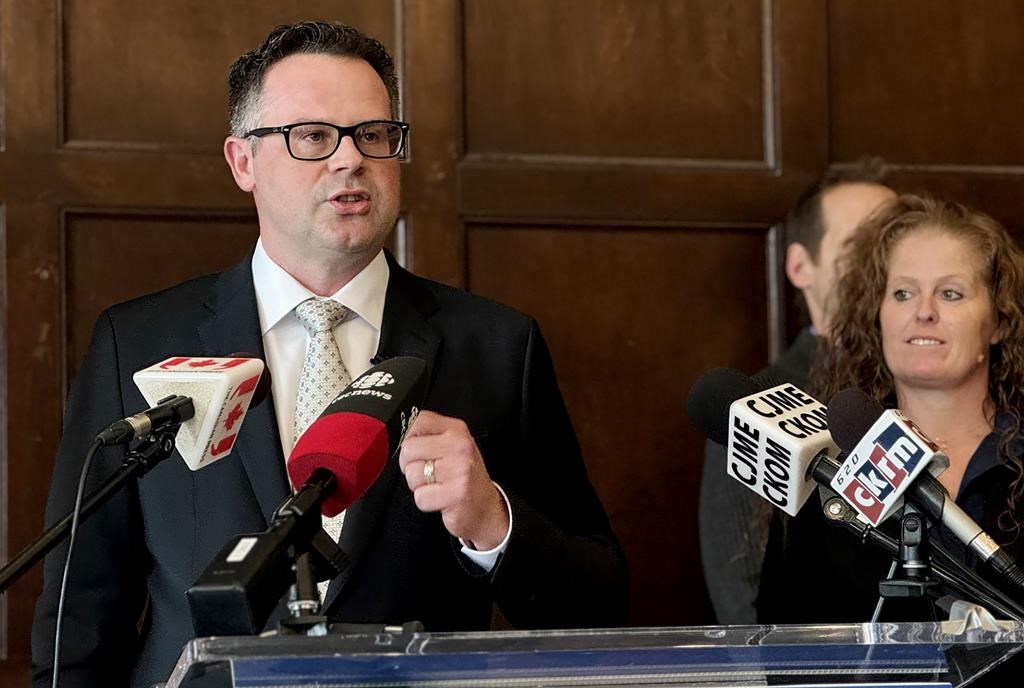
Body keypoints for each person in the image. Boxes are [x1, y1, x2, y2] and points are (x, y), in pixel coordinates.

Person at [31, 21, 627, 688]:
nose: (351, 160)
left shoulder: (494, 345)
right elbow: (79, 620)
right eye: (312, 136)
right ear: (242, 161)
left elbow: (599, 601)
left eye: (373, 134)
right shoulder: (137, 343)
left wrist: (493, 523)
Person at [757, 193, 1024, 624]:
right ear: (876, 315)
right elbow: (780, 636)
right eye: (902, 293)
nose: (923, 312)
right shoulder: (826, 467)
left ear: (999, 322)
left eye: (950, 293)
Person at [699, 162, 895, 624]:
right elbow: (742, 605)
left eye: (893, 244)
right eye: (861, 245)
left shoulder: (932, 383)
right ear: (799, 266)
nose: (884, 265)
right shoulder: (756, 401)